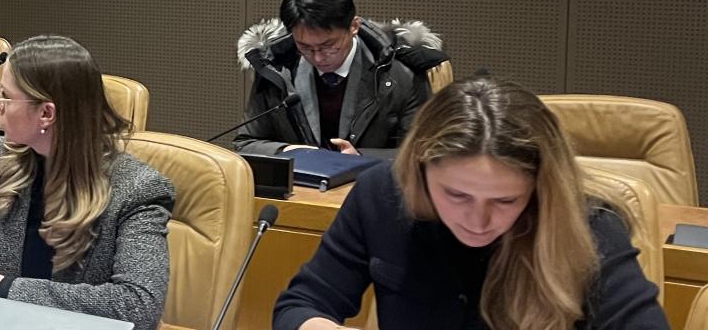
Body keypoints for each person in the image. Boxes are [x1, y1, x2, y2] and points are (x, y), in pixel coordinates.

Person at [273, 77, 666, 329]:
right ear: (421, 171)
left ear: (539, 188)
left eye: (505, 200)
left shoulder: (590, 226)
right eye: (456, 195)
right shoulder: (382, 194)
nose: (478, 220)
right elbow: (301, 305)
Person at [0, 36, 172, 329]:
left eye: (5, 95)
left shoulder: (137, 189)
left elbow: (137, 304)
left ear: (46, 113)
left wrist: (4, 288)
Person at [234, 0, 446, 159]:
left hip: (370, 192)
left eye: (329, 46)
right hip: (300, 194)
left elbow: (423, 152)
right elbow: (246, 143)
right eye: (305, 47)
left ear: (354, 26)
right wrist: (289, 151)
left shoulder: (399, 72)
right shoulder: (275, 69)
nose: (317, 57)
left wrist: (362, 157)